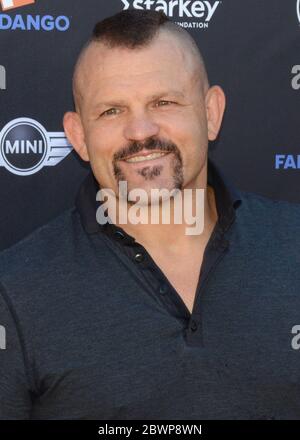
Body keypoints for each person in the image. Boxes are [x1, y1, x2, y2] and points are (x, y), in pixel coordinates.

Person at [0, 9, 300, 420]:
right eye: (112, 111)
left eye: (163, 101)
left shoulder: (294, 245)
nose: (140, 131)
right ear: (77, 137)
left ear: (211, 113)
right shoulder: (14, 294)